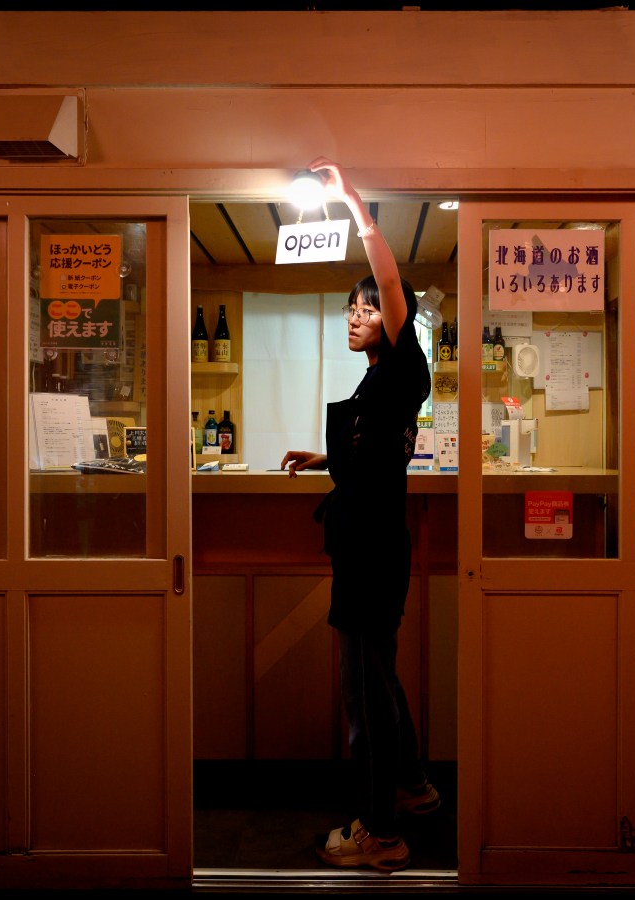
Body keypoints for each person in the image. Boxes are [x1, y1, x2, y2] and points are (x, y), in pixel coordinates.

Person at [281, 157, 439, 873]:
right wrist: (322, 462)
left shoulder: (404, 367)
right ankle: (409, 788)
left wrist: (352, 203)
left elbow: (391, 280)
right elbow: (376, 456)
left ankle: (379, 833)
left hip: (372, 553)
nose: (357, 314)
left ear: (395, 322)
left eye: (367, 307)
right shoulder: (378, 380)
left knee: (363, 696)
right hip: (372, 546)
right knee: (379, 680)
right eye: (351, 307)